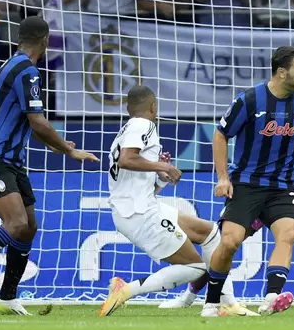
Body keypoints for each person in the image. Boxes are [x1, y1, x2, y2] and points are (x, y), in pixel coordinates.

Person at [0, 16, 99, 315]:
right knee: (15, 224)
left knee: (28, 227)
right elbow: (38, 123)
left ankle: (7, 297)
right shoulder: (26, 71)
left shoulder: (13, 64)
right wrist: (68, 148)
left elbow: (34, 128)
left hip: (11, 160)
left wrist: (62, 149)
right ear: (45, 40)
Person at [159, 80, 294, 311]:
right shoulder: (270, 126)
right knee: (225, 245)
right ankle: (190, 295)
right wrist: (225, 178)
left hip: (292, 193)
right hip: (254, 189)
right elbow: (224, 136)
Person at [98, 85, 255, 317]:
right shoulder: (144, 125)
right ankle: (126, 290)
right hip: (138, 213)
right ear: (153, 107)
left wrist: (160, 177)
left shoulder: (125, 132)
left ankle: (228, 303)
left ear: (128, 107)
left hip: (142, 205)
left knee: (210, 233)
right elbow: (126, 160)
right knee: (195, 267)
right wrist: (163, 166)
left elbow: (135, 174)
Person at [200, 46, 294, 318]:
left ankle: (272, 297)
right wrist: (223, 177)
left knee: (288, 233)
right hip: (245, 183)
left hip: (282, 186)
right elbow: (220, 135)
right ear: (282, 73)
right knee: (230, 241)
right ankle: (211, 302)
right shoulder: (249, 100)